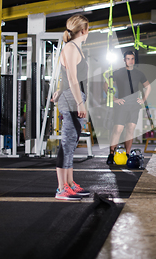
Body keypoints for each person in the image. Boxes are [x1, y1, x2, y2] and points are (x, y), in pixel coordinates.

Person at [51, 14, 91, 201]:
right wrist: (79, 102)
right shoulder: (71, 48)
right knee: (67, 144)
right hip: (72, 100)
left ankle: (70, 183)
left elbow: (66, 77)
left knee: (72, 144)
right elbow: (73, 78)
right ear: (84, 30)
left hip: (73, 96)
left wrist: (60, 90)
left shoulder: (75, 48)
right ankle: (61, 189)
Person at [105, 51, 151, 165]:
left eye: (132, 59)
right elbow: (106, 85)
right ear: (124, 60)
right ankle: (111, 154)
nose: (130, 61)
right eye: (128, 59)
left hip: (134, 105)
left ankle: (127, 154)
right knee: (118, 130)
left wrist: (143, 100)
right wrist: (115, 99)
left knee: (130, 130)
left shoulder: (139, 73)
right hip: (122, 105)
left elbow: (148, 87)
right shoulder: (118, 72)